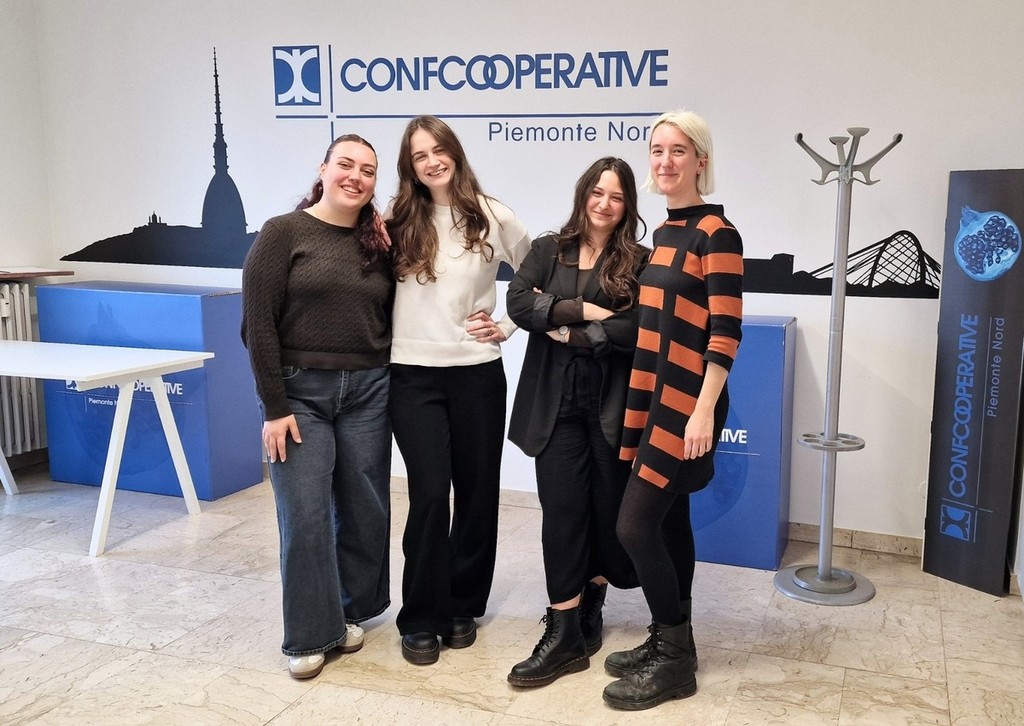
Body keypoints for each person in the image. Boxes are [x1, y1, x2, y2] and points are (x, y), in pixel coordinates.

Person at [602, 111, 743, 710]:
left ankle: (676, 661)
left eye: (678, 151)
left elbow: (726, 332)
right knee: (669, 520)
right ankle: (671, 638)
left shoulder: (717, 233)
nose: (665, 161)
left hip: (688, 402)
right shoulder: (665, 232)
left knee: (633, 526)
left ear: (700, 161)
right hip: (654, 394)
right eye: (657, 150)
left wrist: (704, 411)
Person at [241, 134, 394, 680]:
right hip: (299, 394)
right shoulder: (283, 232)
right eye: (345, 164)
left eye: (368, 170)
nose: (356, 176)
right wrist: (273, 406)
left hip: (370, 390)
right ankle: (308, 633)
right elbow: (257, 324)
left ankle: (348, 611)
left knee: (365, 509)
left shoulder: (380, 242)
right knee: (304, 514)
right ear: (323, 169)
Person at [387, 115, 532, 665]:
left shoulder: (493, 215)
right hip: (412, 373)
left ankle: (463, 605)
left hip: (476, 372)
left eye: (438, 149)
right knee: (429, 495)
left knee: (476, 492)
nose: (431, 161)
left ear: (454, 151)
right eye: (419, 155)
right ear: (410, 166)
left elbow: (539, 277)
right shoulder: (396, 220)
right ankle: (420, 615)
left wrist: (508, 325)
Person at [504, 157, 649, 688]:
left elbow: (639, 325)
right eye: (597, 192)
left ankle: (592, 604)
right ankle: (563, 627)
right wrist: (586, 311)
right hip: (556, 404)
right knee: (563, 511)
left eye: (616, 196)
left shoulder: (639, 260)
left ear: (628, 205)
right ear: (583, 193)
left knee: (606, 510)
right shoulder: (549, 249)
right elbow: (519, 302)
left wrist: (577, 333)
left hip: (612, 404)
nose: (604, 204)